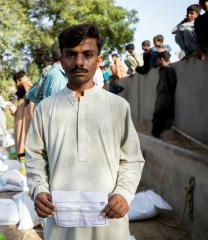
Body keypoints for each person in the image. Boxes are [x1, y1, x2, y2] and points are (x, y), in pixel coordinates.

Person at [25, 24, 144, 240]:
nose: (79, 62)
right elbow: (35, 157)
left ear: (99, 60)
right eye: (71, 54)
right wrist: (39, 190)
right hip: (61, 222)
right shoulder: (46, 108)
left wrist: (123, 194)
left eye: (87, 55)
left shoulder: (118, 106)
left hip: (109, 223)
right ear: (61, 59)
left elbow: (132, 160)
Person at [151, 51, 177, 138]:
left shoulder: (169, 69)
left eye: (158, 59)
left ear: (162, 59)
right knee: (156, 116)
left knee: (160, 116)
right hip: (160, 97)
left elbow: (172, 84)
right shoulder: (162, 70)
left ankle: (157, 134)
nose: (156, 61)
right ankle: (155, 134)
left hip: (165, 98)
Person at [12, 70, 34, 157]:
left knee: (22, 140)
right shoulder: (29, 86)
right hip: (23, 117)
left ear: (18, 81)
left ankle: (23, 165)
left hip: (25, 117)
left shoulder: (24, 84)